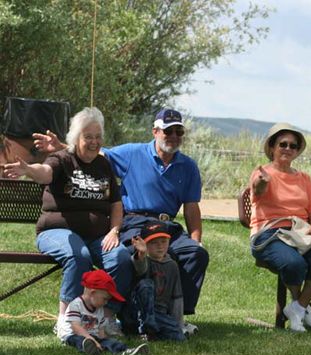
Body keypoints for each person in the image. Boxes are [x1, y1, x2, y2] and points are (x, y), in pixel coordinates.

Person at [35, 109, 208, 332]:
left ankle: (175, 318)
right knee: (142, 255)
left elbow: (192, 208)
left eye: (178, 131)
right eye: (168, 131)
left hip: (167, 225)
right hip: (135, 222)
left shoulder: (189, 166)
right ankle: (134, 315)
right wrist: (61, 147)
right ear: (155, 131)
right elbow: (92, 153)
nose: (174, 136)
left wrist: (196, 240)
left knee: (196, 254)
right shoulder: (132, 153)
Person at [3, 107, 133, 334]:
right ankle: (65, 320)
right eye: (88, 137)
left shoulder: (103, 166)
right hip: (55, 232)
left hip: (96, 237)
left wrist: (114, 230)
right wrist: (28, 170)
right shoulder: (61, 159)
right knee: (78, 255)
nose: (94, 142)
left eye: (98, 137)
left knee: (121, 257)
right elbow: (45, 172)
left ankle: (107, 318)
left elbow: (116, 204)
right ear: (76, 138)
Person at [249, 123, 311, 333]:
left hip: (299, 232)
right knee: (293, 263)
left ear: (297, 151)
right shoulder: (261, 173)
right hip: (269, 233)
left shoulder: (304, 177)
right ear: (272, 148)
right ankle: (300, 307)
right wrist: (262, 183)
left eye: (293, 146)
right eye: (283, 144)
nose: (288, 149)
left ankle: (298, 307)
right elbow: (257, 190)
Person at [57, 269, 149, 355]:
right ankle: (89, 348)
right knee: (78, 340)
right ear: (92, 293)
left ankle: (126, 350)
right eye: (105, 299)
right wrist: (91, 340)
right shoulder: (76, 305)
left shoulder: (99, 309)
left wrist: (103, 340)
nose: (106, 302)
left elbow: (100, 330)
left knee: (109, 341)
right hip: (73, 335)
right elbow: (76, 328)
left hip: (92, 337)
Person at [123, 221, 186, 341]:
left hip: (159, 314)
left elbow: (177, 297)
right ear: (144, 244)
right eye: (153, 243)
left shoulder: (172, 265)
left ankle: (153, 332)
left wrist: (178, 323)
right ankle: (145, 329)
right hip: (137, 312)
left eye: (163, 242)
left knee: (178, 336)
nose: (160, 246)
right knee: (146, 285)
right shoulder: (143, 260)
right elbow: (140, 268)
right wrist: (141, 252)